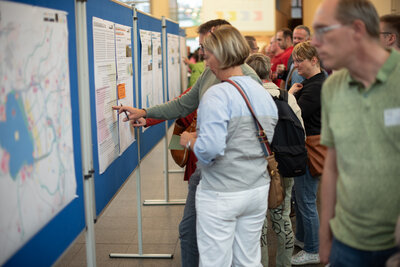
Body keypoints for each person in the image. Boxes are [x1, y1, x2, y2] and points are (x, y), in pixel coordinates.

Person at [113, 19, 262, 267]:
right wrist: (144, 112)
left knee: (222, 246)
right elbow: (184, 103)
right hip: (207, 171)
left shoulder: (247, 80)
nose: (202, 52)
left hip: (229, 175)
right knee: (191, 232)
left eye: (206, 46)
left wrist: (194, 140)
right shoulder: (209, 74)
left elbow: (245, 133)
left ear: (221, 41)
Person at [179, 25, 278, 267]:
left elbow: (210, 150)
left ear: (222, 55)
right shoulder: (262, 92)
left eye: (209, 54)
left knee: (215, 261)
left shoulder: (217, 95)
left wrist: (191, 140)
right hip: (256, 190)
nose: (206, 61)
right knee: (248, 260)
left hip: (221, 192)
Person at [312, 0, 400, 266]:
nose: (316, 42)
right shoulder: (333, 87)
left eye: (323, 30)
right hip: (346, 245)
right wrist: (325, 236)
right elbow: (333, 166)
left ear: (357, 29)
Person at [246, 53, 304, 267]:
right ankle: (284, 264)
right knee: (282, 219)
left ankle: (259, 263)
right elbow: (301, 132)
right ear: (270, 72)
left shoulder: (248, 98)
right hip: (284, 166)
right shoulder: (287, 97)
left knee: (258, 224)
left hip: (256, 167)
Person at [288, 41, 326, 265]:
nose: (295, 65)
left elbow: (296, 115)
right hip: (310, 148)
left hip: (310, 149)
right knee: (303, 199)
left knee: (306, 200)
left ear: (314, 60)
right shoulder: (314, 83)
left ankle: (313, 249)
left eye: (299, 60)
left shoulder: (315, 86)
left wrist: (290, 95)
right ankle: (303, 238)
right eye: (294, 61)